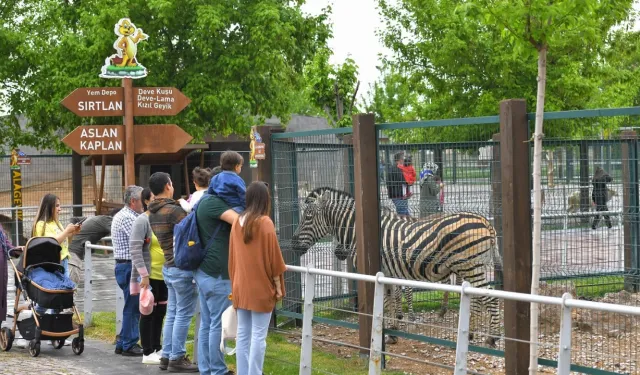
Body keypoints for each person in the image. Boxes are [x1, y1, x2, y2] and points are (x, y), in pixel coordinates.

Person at [229, 181, 286, 375]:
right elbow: (274, 259)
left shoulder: (237, 221)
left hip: (240, 285)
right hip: (260, 287)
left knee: (243, 334)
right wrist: (278, 286)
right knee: (258, 336)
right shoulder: (265, 222)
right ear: (265, 199)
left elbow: (232, 257)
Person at [148, 172, 197, 372]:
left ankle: (166, 355)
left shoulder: (153, 212)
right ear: (168, 185)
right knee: (183, 314)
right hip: (182, 267)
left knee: (173, 313)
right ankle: (177, 356)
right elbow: (192, 228)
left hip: (168, 267)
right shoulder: (174, 211)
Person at [193, 167, 239, 375]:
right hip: (217, 274)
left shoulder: (204, 200)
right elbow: (240, 221)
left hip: (205, 272)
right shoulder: (213, 203)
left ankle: (207, 368)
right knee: (216, 325)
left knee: (207, 324)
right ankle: (217, 370)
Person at [130, 188, 168, 365]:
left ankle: (157, 347)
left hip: (164, 274)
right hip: (149, 274)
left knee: (160, 312)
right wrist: (143, 274)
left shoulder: (161, 218)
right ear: (146, 201)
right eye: (153, 198)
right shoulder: (142, 220)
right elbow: (135, 249)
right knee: (147, 312)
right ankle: (147, 351)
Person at [111, 186, 145, 356]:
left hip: (125, 265)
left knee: (131, 305)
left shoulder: (126, 215)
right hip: (129, 266)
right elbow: (141, 239)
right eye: (142, 199)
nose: (144, 202)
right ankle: (129, 344)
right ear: (133, 201)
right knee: (133, 306)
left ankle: (123, 341)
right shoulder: (128, 218)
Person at [67, 209, 120, 286]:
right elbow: (119, 232)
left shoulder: (95, 218)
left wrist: (74, 231)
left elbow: (74, 219)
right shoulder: (108, 220)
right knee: (71, 286)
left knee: (67, 285)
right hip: (74, 253)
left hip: (68, 249)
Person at [32, 194, 81, 277]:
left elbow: (65, 242)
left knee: (66, 287)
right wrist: (66, 231)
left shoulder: (57, 223)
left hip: (64, 261)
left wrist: (72, 234)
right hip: (53, 264)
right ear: (49, 207)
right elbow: (52, 243)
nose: (60, 209)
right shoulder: (41, 225)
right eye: (57, 206)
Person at [386, 152, 410, 217]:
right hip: (399, 195)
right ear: (399, 160)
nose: (404, 161)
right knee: (403, 214)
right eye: (403, 159)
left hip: (397, 195)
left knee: (405, 213)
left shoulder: (392, 168)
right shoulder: (398, 169)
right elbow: (405, 181)